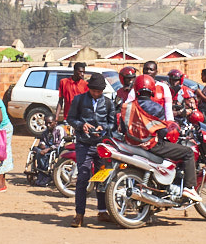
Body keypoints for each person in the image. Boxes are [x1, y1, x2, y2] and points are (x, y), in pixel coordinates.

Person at [118, 75, 198, 201]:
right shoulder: (156, 108)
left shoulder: (127, 106)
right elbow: (162, 132)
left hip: (131, 145)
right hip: (151, 145)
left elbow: (122, 129)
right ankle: (189, 188)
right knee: (188, 152)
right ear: (152, 90)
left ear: (136, 89)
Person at [66, 73, 117, 226]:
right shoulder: (79, 99)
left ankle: (102, 212)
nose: (96, 94)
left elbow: (112, 123)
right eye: (94, 91)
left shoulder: (108, 103)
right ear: (90, 89)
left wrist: (104, 127)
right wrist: (81, 125)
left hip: (102, 145)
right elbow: (70, 118)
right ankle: (79, 214)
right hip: (84, 144)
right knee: (82, 178)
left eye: (99, 91)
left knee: (102, 178)